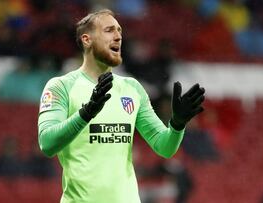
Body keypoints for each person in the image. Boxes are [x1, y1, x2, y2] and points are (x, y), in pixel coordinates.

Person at [37, 9, 205, 203]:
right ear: (87, 39)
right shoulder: (61, 87)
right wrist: (85, 114)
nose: (117, 36)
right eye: (109, 30)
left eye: (119, 31)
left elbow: (164, 148)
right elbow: (47, 144)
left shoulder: (132, 88)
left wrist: (177, 124)